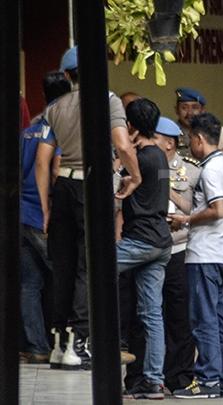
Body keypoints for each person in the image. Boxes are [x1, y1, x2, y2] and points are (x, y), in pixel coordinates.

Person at [36, 46, 141, 370]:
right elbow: (122, 144)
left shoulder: (55, 106)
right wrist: (134, 175)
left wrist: (45, 208)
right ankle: (79, 344)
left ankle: (59, 343)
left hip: (63, 187)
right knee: (88, 266)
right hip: (90, 185)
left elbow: (42, 161)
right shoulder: (107, 100)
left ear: (67, 76)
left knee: (63, 268)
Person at [123, 117, 200, 393]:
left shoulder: (189, 170)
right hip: (146, 244)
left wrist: (167, 192)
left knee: (177, 318)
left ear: (169, 142)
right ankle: (139, 379)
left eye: (153, 137)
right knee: (143, 314)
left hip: (176, 248)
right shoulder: (137, 162)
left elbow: (196, 207)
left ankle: (176, 377)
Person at [169, 112, 223, 399]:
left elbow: (217, 209)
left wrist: (184, 222)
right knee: (222, 321)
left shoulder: (210, 170)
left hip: (205, 256)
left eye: (190, 139)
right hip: (221, 256)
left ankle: (207, 380)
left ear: (198, 139)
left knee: (204, 321)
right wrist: (170, 192)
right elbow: (201, 205)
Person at [117, 99, 173, 400]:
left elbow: (119, 171)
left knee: (93, 271)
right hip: (160, 242)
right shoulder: (159, 155)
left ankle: (86, 345)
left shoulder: (140, 159)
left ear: (131, 126)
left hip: (141, 240)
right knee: (152, 314)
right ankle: (153, 381)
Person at [19, 71, 70, 364]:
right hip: (46, 216)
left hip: (22, 216)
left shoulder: (27, 131)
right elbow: (53, 169)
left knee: (29, 284)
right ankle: (68, 345)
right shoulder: (59, 127)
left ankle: (37, 346)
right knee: (66, 279)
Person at [174, 87, 223, 165]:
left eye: (195, 108)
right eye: (184, 108)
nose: (190, 113)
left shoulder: (217, 131)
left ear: (203, 110)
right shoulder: (171, 133)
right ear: (176, 110)